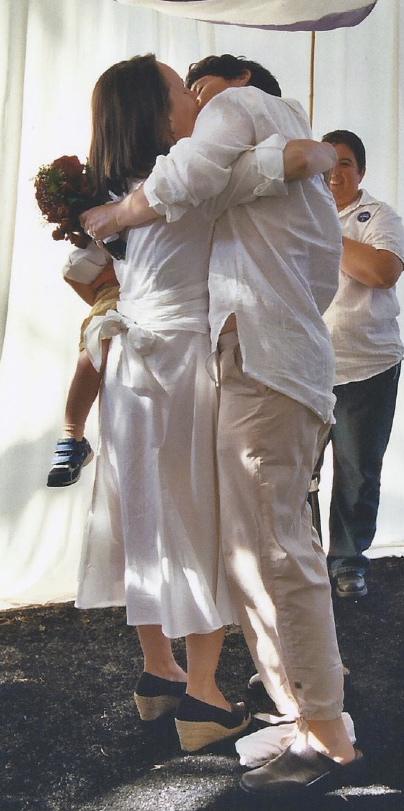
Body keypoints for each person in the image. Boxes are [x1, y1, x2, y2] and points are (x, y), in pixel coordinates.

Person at [83, 54, 364, 799]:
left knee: (169, 525)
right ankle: (229, 697)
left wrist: (107, 220)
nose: (195, 99)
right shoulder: (189, 176)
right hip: (187, 365)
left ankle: (189, 682)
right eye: (182, 90)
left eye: (198, 89)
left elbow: (87, 274)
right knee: (217, 531)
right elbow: (269, 168)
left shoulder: (153, 183)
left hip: (154, 369)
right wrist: (306, 155)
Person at [317, 129, 404, 599]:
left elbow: (380, 271)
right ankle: (305, 565)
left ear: (361, 172)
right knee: (295, 475)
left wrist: (327, 228)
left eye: (345, 163)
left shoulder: (377, 216)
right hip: (305, 368)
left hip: (367, 367)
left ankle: (348, 564)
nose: (335, 172)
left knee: (355, 472)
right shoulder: (296, 216)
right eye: (327, 162)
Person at [46, 247, 118, 487]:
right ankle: (73, 435)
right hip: (116, 297)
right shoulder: (99, 243)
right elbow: (73, 273)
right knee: (92, 354)